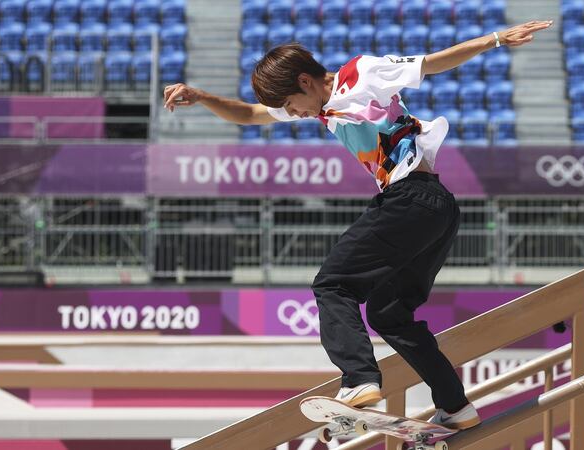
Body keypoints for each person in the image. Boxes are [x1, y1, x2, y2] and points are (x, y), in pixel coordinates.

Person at [163, 20, 552, 430]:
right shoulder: (320, 104)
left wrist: (494, 39)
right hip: (437, 210)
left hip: (411, 200)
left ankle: (359, 379)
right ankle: (456, 406)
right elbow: (248, 114)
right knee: (390, 314)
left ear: (305, 81)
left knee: (332, 284)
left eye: (293, 104)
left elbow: (432, 64)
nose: (294, 114)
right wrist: (200, 95)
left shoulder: (361, 73)